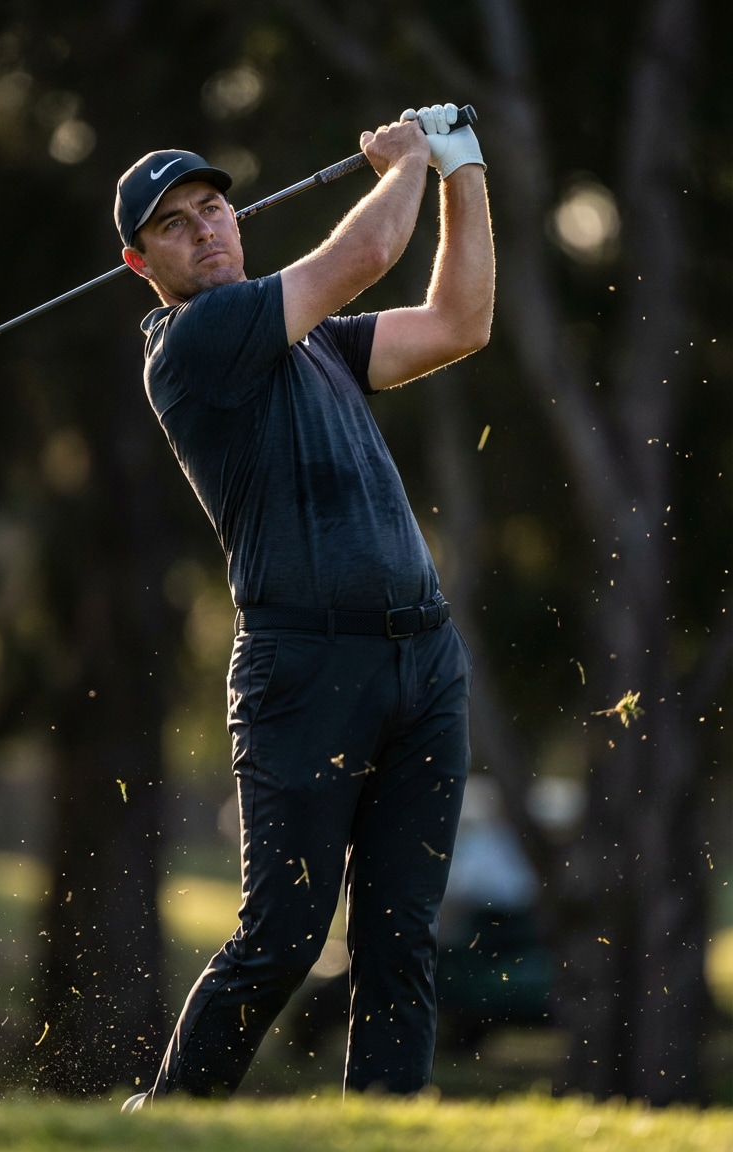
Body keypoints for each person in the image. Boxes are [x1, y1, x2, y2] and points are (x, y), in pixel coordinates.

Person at [114, 103, 494, 1106]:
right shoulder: (195, 342)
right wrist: (406, 158)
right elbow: (368, 249)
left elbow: (461, 323)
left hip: (423, 661)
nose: (205, 231)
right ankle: (166, 1117)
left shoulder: (316, 343)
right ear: (139, 264)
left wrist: (462, 170)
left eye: (214, 210)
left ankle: (385, 1128)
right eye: (175, 225)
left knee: (399, 941)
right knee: (281, 938)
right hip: (305, 670)